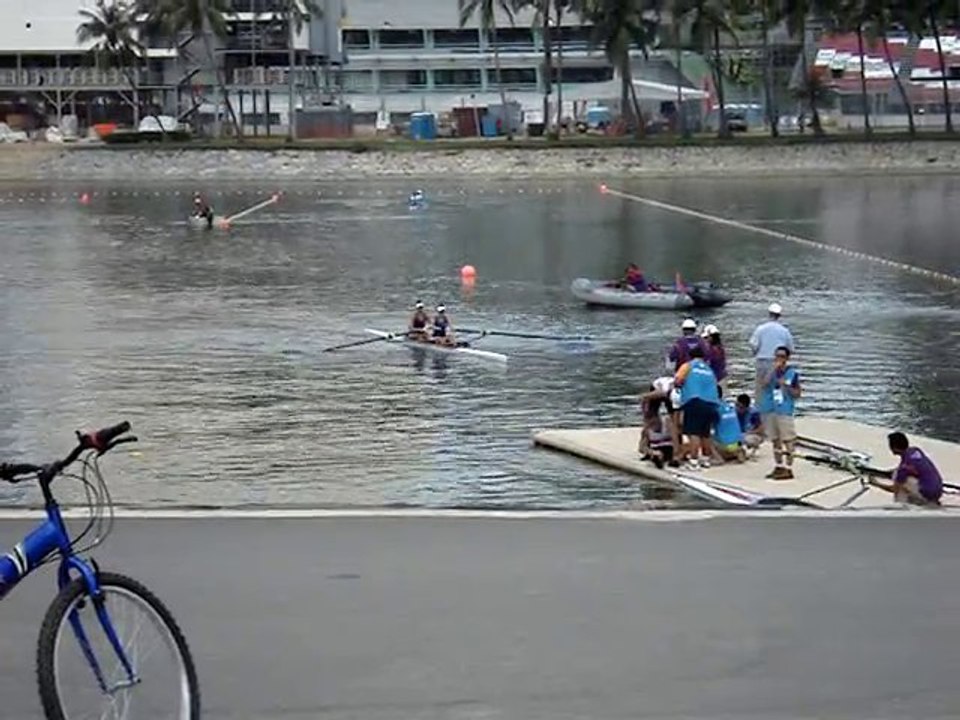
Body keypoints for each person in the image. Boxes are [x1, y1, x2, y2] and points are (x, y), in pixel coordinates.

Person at [758, 346, 802, 480]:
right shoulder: (770, 371)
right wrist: (773, 370)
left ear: (787, 358)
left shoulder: (792, 373)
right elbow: (763, 384)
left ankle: (789, 468)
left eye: (782, 356)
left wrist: (786, 386)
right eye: (777, 356)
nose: (779, 359)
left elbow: (797, 393)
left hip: (784, 409)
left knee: (788, 439)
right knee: (775, 440)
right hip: (770, 408)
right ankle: (779, 465)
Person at [674, 345, 720, 469]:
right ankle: (706, 460)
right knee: (705, 433)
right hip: (711, 403)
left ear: (690, 356)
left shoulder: (687, 366)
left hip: (694, 401)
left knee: (693, 432)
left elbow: (678, 381)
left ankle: (693, 461)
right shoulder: (709, 370)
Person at [870, 432, 944, 506]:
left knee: (899, 483)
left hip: (928, 495)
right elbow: (914, 466)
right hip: (938, 491)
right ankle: (924, 498)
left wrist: (876, 484)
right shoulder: (916, 450)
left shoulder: (903, 469)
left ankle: (901, 505)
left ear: (893, 447)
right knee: (899, 474)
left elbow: (893, 489)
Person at [749, 303, 794, 402]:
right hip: (778, 362)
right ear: (779, 316)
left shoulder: (761, 329)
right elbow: (790, 349)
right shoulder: (784, 331)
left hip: (762, 361)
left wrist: (755, 353)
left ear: (769, 314)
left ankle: (760, 407)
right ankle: (775, 406)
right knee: (776, 387)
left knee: (761, 388)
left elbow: (753, 344)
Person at [639, 376, 682, 468]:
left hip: (671, 395)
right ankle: (652, 451)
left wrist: (676, 455)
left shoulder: (677, 396)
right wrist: (645, 416)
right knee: (650, 415)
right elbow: (644, 398)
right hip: (660, 390)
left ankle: (676, 453)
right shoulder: (660, 392)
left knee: (675, 424)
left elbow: (677, 417)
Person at [711, 388, 745, 464]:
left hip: (725, 446)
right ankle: (737, 452)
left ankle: (718, 458)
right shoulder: (731, 407)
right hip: (738, 443)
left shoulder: (714, 408)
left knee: (705, 436)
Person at [735, 393, 764, 457]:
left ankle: (754, 448)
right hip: (740, 434)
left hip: (753, 434)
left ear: (746, 406)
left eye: (740, 407)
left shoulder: (754, 413)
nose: (738, 408)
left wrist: (749, 432)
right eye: (736, 405)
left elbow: (761, 429)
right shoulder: (734, 412)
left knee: (745, 439)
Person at [701, 324, 727, 391]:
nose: (705, 340)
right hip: (721, 378)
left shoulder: (710, 350)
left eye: (706, 338)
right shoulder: (720, 348)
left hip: (712, 379)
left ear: (711, 337)